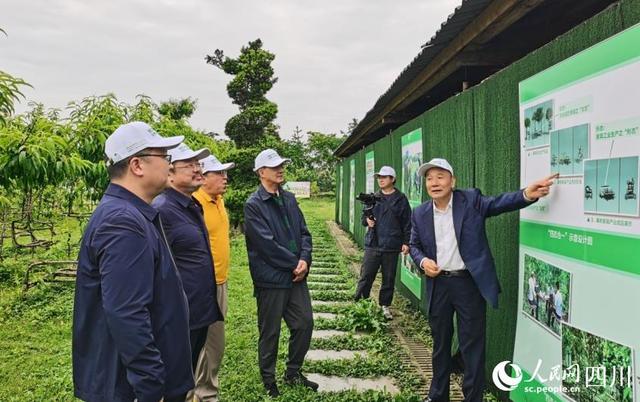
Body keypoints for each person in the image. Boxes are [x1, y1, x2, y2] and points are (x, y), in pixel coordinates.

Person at [409, 158, 557, 402]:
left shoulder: (471, 201)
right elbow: (413, 245)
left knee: (472, 349)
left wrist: (526, 195)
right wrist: (423, 261)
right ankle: (437, 396)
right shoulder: (420, 213)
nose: (434, 183)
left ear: (452, 181)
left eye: (440, 176)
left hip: (468, 285)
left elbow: (498, 203)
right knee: (440, 345)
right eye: (429, 178)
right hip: (438, 286)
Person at [73, 121, 193, 402]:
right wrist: (150, 386)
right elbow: (127, 313)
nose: (170, 165)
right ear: (137, 165)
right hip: (128, 387)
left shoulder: (134, 213)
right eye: (164, 157)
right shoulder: (122, 222)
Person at [243, 148, 317, 398]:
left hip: (296, 277)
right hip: (272, 279)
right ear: (261, 172)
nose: (280, 169)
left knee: (305, 323)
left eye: (281, 165)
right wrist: (294, 264)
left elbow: (305, 233)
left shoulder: (289, 199)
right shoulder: (254, 205)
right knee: (270, 331)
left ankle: (293, 372)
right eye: (274, 166)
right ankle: (268, 378)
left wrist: (304, 260)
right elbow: (266, 245)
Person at [152, 143, 223, 378]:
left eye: (198, 164)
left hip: (199, 312)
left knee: (188, 375)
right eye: (189, 165)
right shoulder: (163, 210)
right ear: (169, 173)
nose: (197, 169)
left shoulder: (190, 205)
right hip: (181, 317)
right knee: (174, 380)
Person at [192, 154, 235, 402]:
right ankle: (203, 394)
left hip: (220, 281)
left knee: (214, 346)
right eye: (219, 173)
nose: (225, 178)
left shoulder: (218, 200)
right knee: (202, 344)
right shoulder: (195, 204)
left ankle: (205, 391)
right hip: (203, 286)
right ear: (203, 177)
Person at [354, 166, 411, 320]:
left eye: (384, 177)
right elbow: (363, 219)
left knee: (389, 278)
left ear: (392, 179)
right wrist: (367, 221)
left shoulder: (401, 199)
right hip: (374, 243)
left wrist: (406, 242)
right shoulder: (372, 198)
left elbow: (407, 222)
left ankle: (384, 305)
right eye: (379, 177)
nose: (381, 179)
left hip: (392, 244)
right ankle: (361, 303)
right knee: (366, 275)